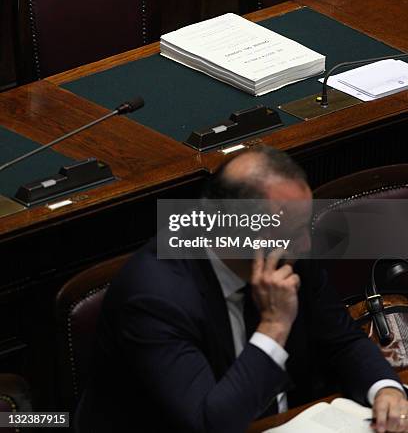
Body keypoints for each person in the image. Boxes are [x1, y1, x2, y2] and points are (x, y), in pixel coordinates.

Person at [75, 146, 408, 433]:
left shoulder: (290, 252)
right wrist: (274, 326)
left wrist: (386, 389)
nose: (305, 243)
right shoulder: (154, 296)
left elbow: (343, 341)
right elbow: (209, 423)